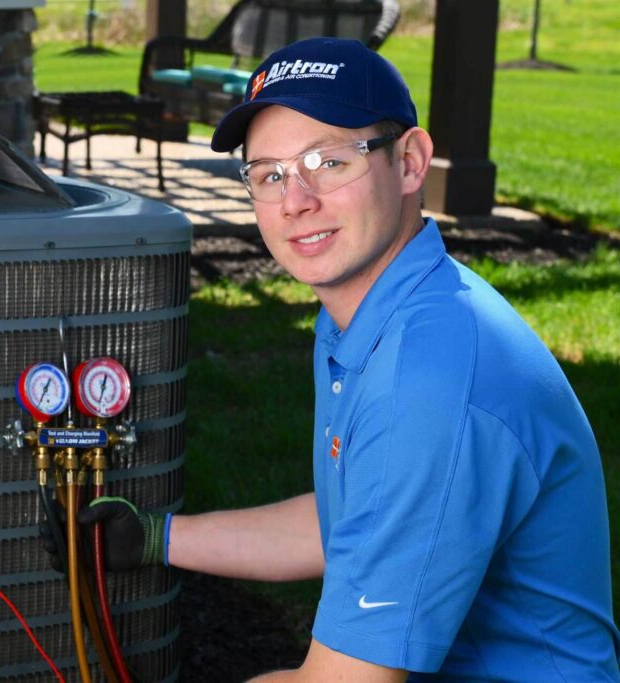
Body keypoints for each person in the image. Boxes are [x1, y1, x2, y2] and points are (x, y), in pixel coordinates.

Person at [60, 37, 620, 681]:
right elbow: (356, 521)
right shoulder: (380, 308)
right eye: (268, 173)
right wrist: (156, 538)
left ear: (410, 163)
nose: (294, 200)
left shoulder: (429, 379)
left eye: (327, 161)